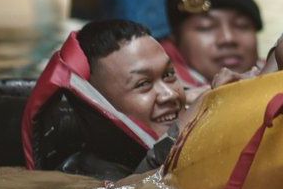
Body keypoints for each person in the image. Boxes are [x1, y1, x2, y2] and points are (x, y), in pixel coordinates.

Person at [22, 19, 195, 179]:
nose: (170, 94)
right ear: (100, 106)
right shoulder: (82, 181)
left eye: (169, 74)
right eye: (143, 84)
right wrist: (184, 127)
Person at [160, 0, 262, 95]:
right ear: (175, 40)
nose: (228, 38)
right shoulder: (164, 100)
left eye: (242, 25)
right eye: (206, 27)